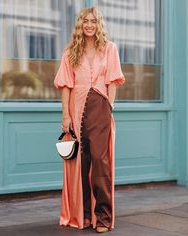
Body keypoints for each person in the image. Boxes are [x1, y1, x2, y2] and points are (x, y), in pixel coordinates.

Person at [54, 7, 125, 233]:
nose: (89, 25)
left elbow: (113, 81)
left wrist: (109, 107)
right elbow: (65, 86)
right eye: (85, 21)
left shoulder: (110, 48)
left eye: (93, 21)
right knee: (80, 165)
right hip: (76, 109)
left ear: (99, 24)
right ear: (79, 24)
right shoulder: (70, 52)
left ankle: (103, 217)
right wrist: (65, 115)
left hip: (101, 107)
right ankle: (83, 215)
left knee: (100, 162)